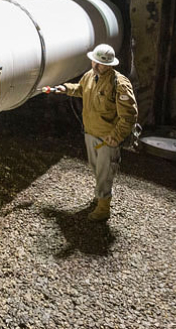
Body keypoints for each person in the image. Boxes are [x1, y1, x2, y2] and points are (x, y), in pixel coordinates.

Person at [42, 43, 137, 221]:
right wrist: (65, 89)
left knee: (105, 172)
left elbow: (129, 115)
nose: (96, 65)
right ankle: (100, 196)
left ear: (109, 65)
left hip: (108, 137)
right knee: (96, 168)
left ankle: (103, 208)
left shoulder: (120, 84)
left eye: (100, 64)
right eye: (95, 62)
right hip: (90, 133)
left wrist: (116, 136)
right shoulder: (90, 76)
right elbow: (81, 90)